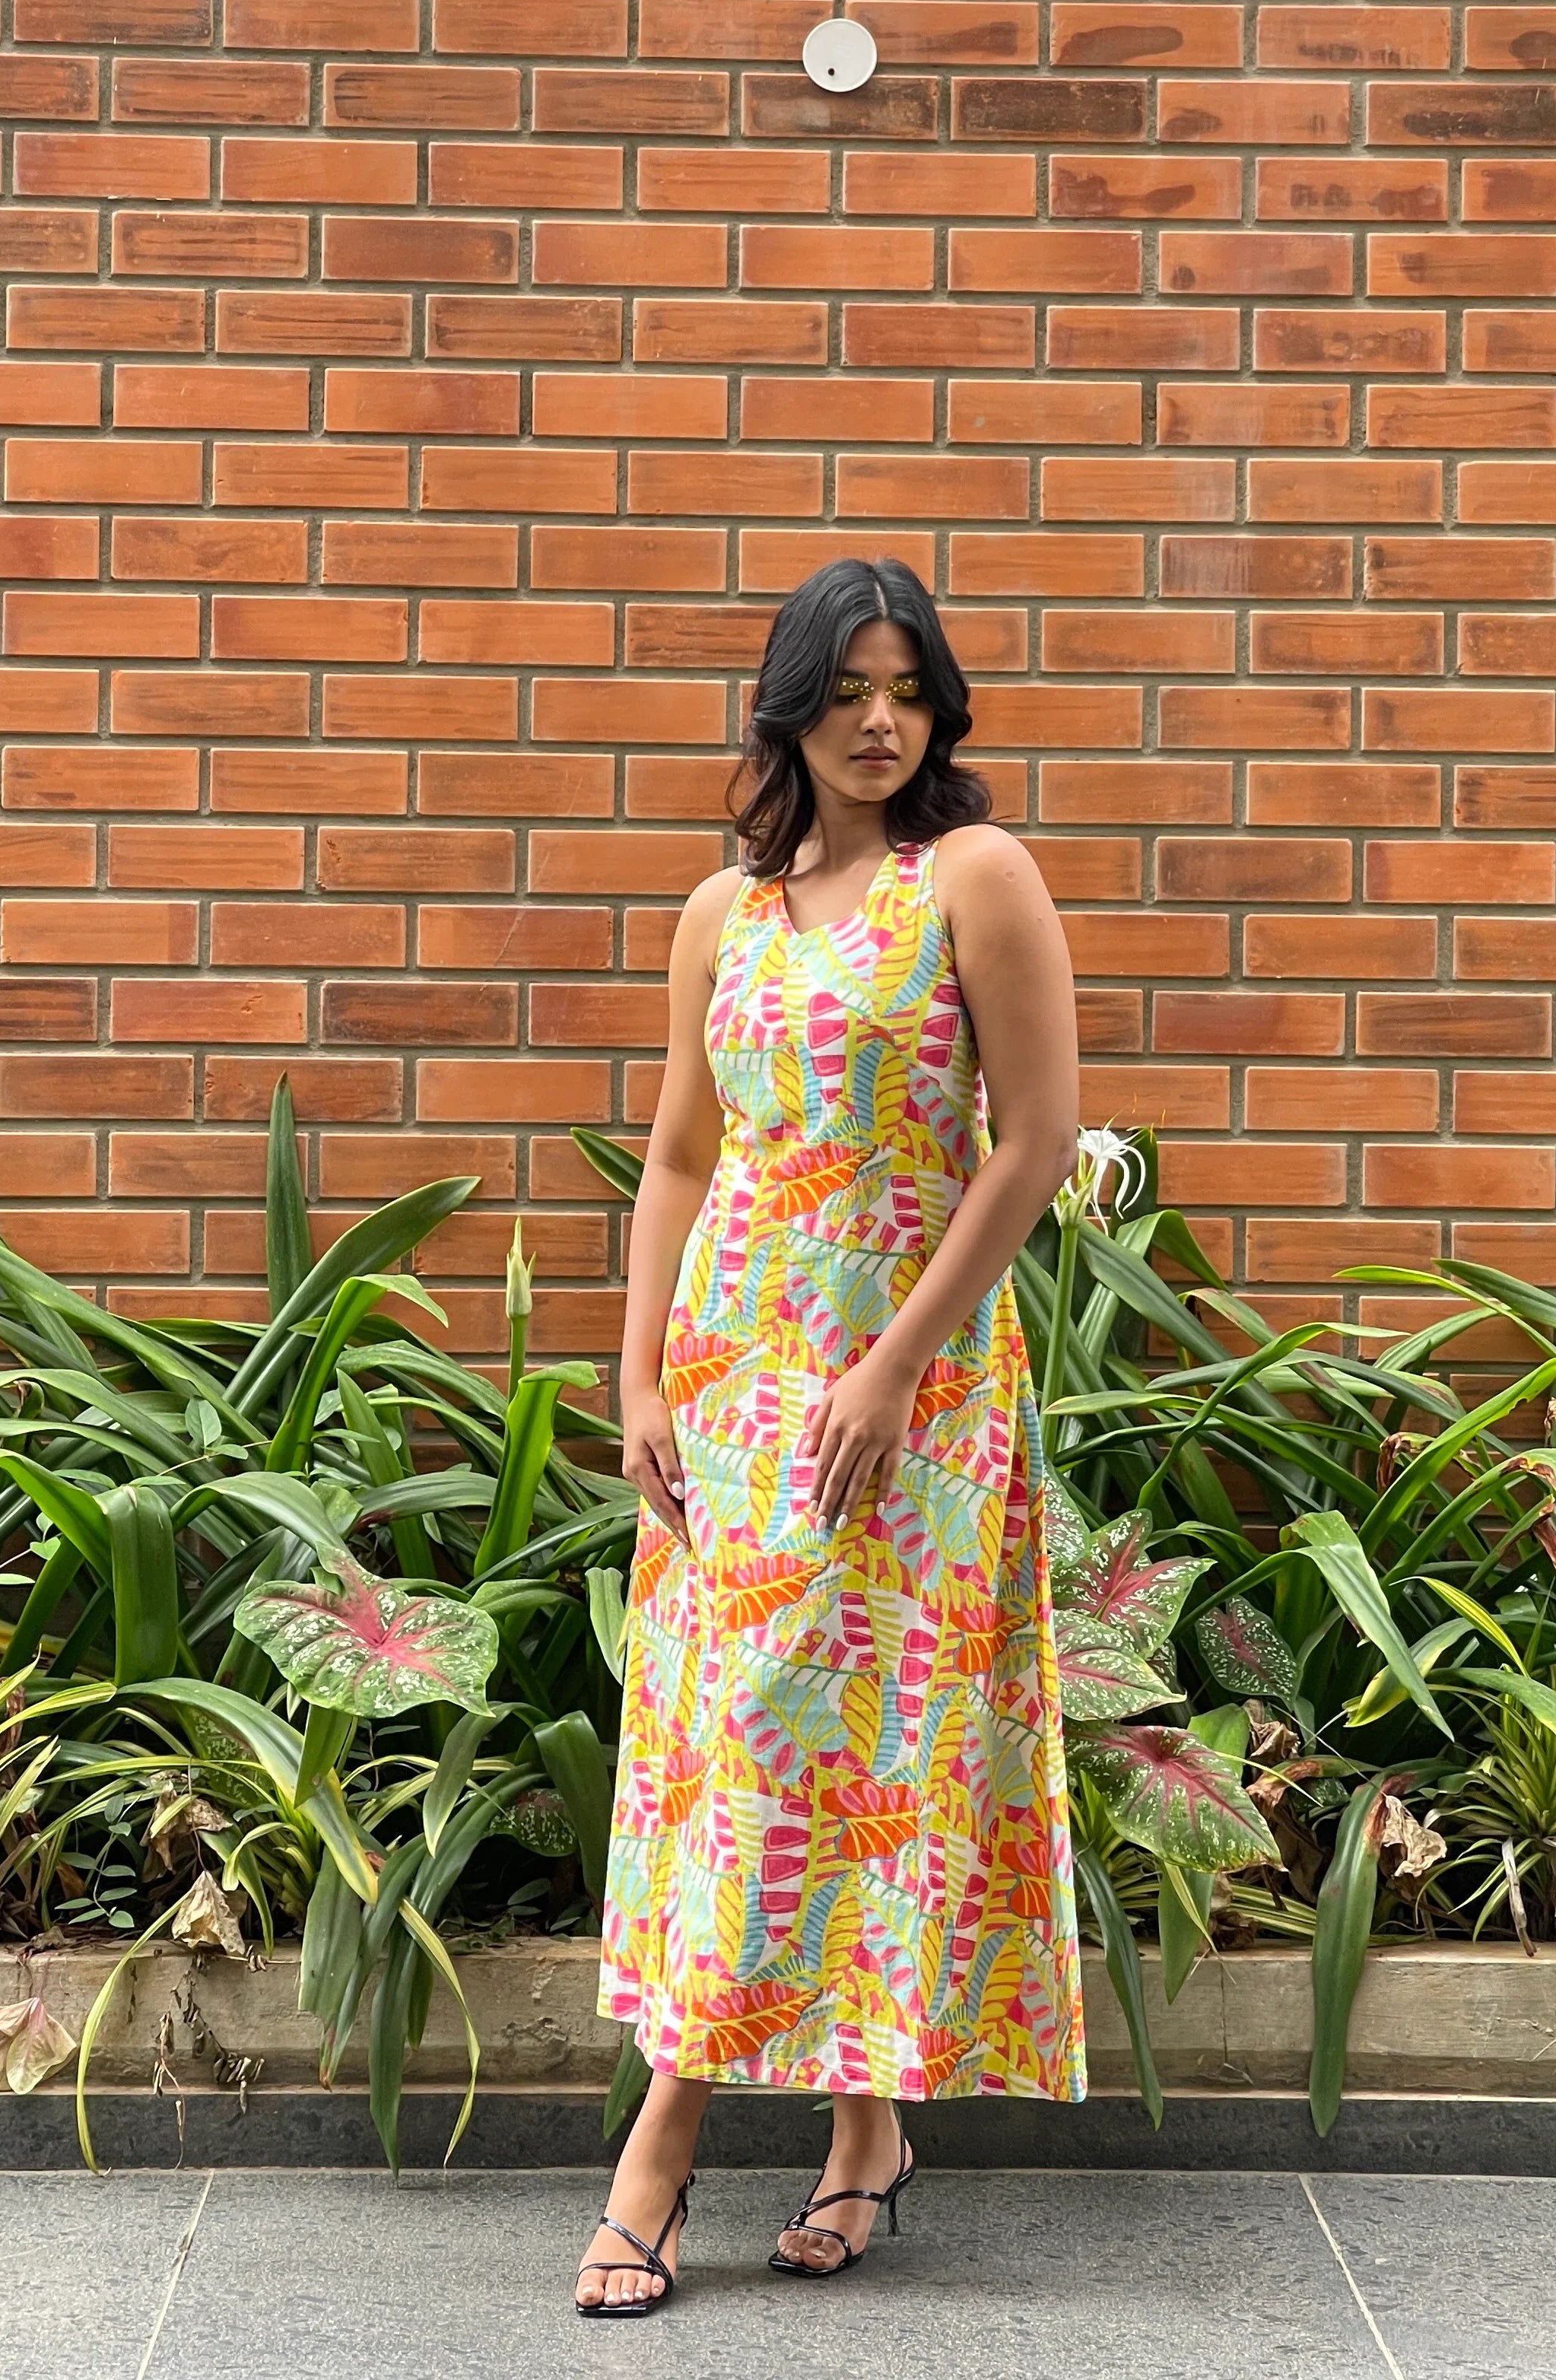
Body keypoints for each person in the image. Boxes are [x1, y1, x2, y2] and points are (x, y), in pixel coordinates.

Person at [575, 554, 1088, 2315]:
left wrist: (890, 1370)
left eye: (909, 690)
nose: (881, 721)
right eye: (849, 689)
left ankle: (660, 2149)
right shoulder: (723, 911)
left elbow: (1034, 1142)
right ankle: (867, 2132)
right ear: (790, 705)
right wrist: (641, 1380)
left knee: (852, 1745)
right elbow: (678, 1155)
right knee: (750, 1750)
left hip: (907, 1392)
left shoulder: (976, 877)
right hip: (732, 1386)